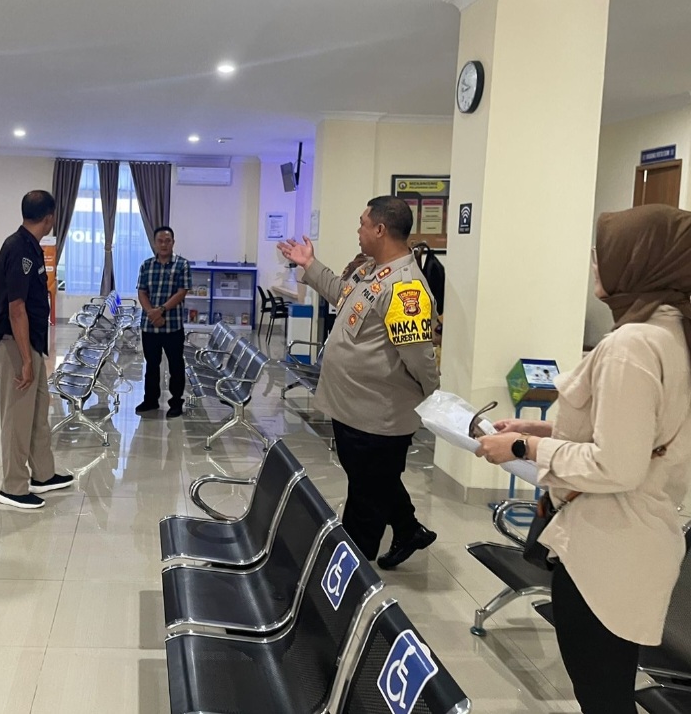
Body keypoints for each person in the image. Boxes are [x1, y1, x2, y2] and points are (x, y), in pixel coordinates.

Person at [476, 204, 691, 714]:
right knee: (607, 688)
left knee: (602, 695)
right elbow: (636, 438)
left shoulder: (633, 344)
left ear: (638, 260)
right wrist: (541, 429)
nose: (595, 262)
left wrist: (523, 449)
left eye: (606, 251)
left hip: (606, 551)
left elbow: (617, 464)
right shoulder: (670, 332)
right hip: (635, 544)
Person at [277, 195, 440, 569]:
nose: (358, 230)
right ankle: (408, 529)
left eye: (363, 224)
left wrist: (433, 399)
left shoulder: (405, 288)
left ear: (380, 229)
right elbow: (342, 294)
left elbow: (419, 357)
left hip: (378, 416)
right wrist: (309, 264)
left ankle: (350, 578)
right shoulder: (373, 270)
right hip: (354, 409)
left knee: (365, 501)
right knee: (374, 479)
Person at [0, 190, 73, 509]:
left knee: (38, 412)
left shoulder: (32, 246)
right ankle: (12, 486)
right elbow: (16, 308)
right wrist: (25, 360)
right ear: (49, 217)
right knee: (18, 417)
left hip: (30, 343)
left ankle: (43, 474)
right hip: (15, 344)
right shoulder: (18, 248)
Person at [135, 226, 191, 418]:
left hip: (173, 326)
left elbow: (181, 292)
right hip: (150, 326)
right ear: (154, 243)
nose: (164, 244)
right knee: (151, 365)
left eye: (168, 241)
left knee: (176, 365)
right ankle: (150, 400)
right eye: (160, 241)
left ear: (173, 242)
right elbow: (142, 292)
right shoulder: (146, 265)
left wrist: (160, 310)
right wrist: (151, 313)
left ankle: (176, 402)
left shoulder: (182, 265)